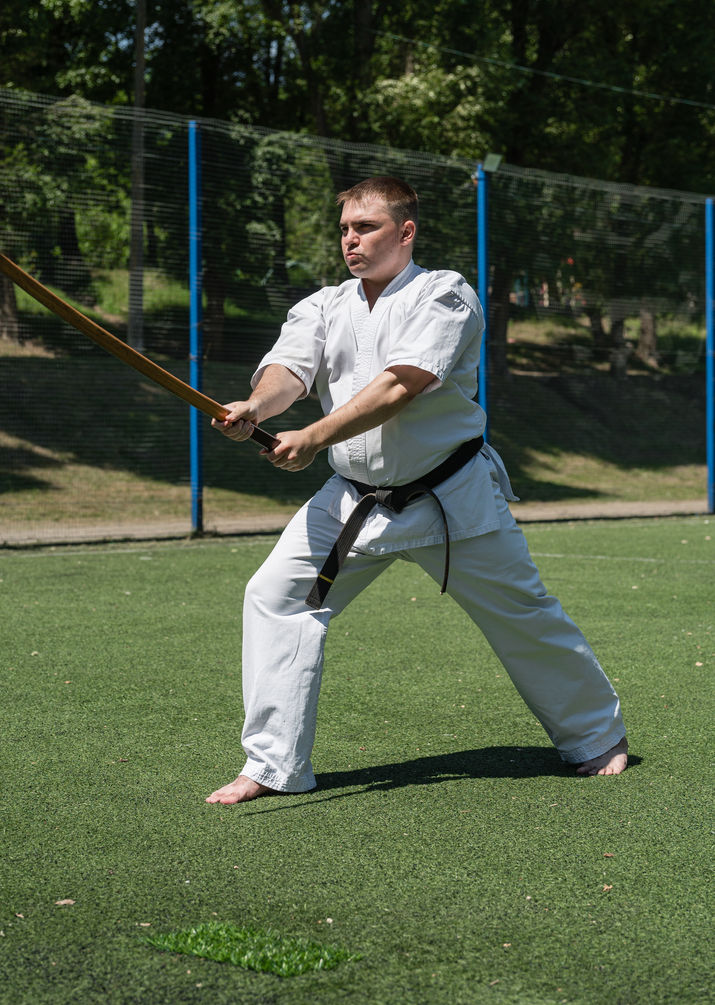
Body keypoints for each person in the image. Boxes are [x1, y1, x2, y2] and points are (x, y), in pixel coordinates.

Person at [206, 176, 628, 805]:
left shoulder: (445, 295)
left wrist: (314, 435)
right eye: (345, 228)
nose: (352, 239)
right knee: (274, 597)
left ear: (406, 232)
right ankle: (272, 765)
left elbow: (401, 385)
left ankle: (597, 736)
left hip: (450, 498)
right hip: (352, 501)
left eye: (367, 227)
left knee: (524, 616)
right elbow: (289, 369)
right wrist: (256, 408)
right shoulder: (323, 304)